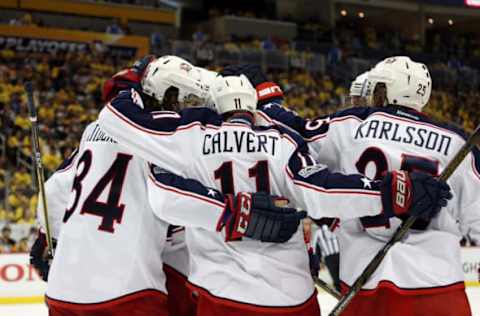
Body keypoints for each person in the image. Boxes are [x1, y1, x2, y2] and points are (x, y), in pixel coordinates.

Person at [98, 62, 450, 315]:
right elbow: (322, 189)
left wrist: (129, 84)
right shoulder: (284, 142)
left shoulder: (191, 136)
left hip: (222, 296)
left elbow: (165, 194)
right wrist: (387, 193)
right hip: (291, 298)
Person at [30, 55, 304, 316]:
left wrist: (47, 237)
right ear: (171, 97)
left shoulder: (93, 131)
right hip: (127, 290)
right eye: (188, 101)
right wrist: (241, 215)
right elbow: (174, 211)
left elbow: (53, 194)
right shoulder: (166, 140)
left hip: (64, 288)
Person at [255, 56, 477, 315]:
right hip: (438, 292)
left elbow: (294, 134)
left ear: (386, 90)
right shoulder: (457, 143)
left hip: (366, 289)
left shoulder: (352, 124)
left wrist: (263, 99)